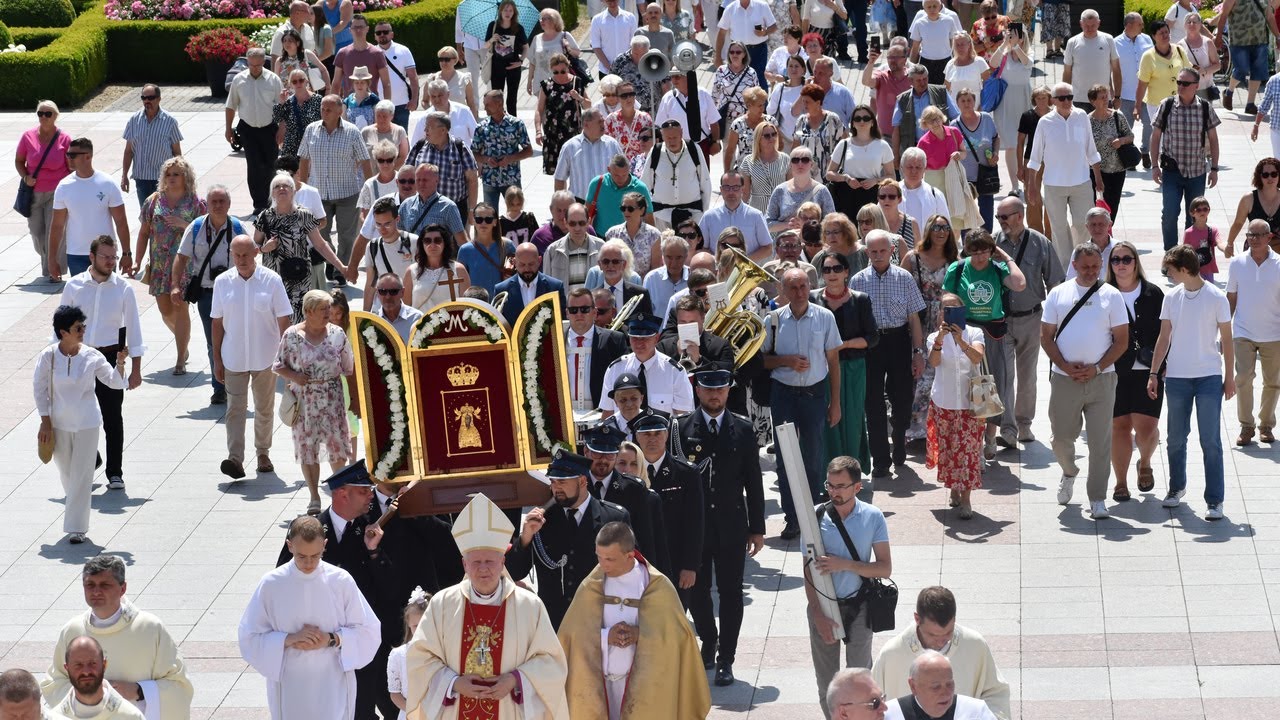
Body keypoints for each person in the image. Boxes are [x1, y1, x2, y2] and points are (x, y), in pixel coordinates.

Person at [407, 492, 569, 715]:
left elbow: (551, 663)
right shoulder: (442, 604)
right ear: (464, 564)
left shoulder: (529, 606)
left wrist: (515, 680)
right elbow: (420, 660)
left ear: (503, 561)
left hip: (507, 709)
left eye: (490, 561)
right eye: (476, 562)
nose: (483, 568)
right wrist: (454, 683)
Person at [558, 522, 710, 720]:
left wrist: (641, 635)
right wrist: (605, 637)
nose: (602, 565)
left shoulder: (656, 585)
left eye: (610, 559)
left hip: (645, 687)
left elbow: (678, 639)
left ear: (630, 555)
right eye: (599, 557)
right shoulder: (592, 585)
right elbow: (570, 636)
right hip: (598, 687)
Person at [240, 515, 382, 720]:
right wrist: (288, 639)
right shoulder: (272, 583)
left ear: (325, 545)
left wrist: (331, 638)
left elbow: (368, 631)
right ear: (289, 546)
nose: (308, 563)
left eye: (315, 556)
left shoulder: (340, 581)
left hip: (332, 680)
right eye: (301, 556)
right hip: (290, 683)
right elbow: (249, 636)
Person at [677, 368, 765, 686]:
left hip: (731, 525)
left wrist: (757, 527)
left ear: (728, 391)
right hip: (695, 527)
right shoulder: (682, 428)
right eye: (708, 390)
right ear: (697, 391)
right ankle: (709, 639)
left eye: (721, 390)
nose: (715, 395)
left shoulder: (742, 428)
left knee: (730, 593)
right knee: (696, 590)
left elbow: (754, 482)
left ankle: (726, 657)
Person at [1041, 243, 1129, 520]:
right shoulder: (1058, 294)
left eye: (1095, 266)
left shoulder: (1112, 296)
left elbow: (1122, 340)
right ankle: (1069, 471)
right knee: (1061, 438)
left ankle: (1097, 498)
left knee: (1101, 442)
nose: (1091, 271)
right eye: (1085, 266)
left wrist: (1097, 367)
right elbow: (1046, 336)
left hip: (1102, 379)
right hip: (1065, 379)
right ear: (1075, 266)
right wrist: (1065, 366)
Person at [43, 555, 193, 717]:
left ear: (123, 588)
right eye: (90, 585)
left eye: (105, 585)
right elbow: (54, 684)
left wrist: (139, 690)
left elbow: (179, 686)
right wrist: (91, 693)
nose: (96, 591)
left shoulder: (150, 629)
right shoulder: (72, 630)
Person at [1150, 245, 1234, 519]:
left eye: (1171, 270)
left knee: (1210, 439)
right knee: (1175, 438)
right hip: (1176, 377)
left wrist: (1229, 377)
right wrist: (1153, 372)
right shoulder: (1171, 298)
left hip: (1208, 376)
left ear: (1184, 269)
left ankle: (1215, 500)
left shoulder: (1216, 297)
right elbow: (1164, 338)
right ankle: (1176, 488)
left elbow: (1228, 341)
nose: (1168, 275)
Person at [804, 456, 892, 717]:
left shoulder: (873, 517)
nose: (834, 492)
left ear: (857, 486)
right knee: (827, 684)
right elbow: (807, 571)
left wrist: (846, 565)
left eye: (841, 486)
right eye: (830, 485)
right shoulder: (816, 517)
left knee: (860, 680)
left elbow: (884, 568)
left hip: (860, 605)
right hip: (824, 607)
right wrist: (817, 612)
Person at [33, 306, 128, 544]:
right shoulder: (48, 356)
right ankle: (76, 509)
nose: (83, 331)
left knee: (82, 476)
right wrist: (45, 422)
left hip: (87, 423)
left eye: (83, 326)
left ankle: (76, 528)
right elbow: (39, 389)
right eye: (78, 327)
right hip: (59, 424)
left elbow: (115, 383)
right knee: (67, 473)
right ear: (63, 332)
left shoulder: (92, 356)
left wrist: (121, 363)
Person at [58, 234, 145, 492]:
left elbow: (135, 329)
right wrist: (58, 360)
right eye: (106, 257)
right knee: (74, 413)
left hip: (109, 358)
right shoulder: (74, 287)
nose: (111, 262)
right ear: (92, 257)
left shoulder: (123, 288)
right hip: (79, 356)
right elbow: (60, 326)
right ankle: (92, 458)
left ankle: (115, 472)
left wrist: (136, 370)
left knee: (112, 416)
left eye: (114, 257)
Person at [507, 451, 632, 628]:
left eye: (562, 482)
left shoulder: (613, 517)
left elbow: (630, 572)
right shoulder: (542, 521)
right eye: (553, 481)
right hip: (556, 624)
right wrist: (525, 537)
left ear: (582, 481)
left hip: (601, 622)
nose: (555, 488)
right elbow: (514, 573)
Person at [763, 267, 843, 538]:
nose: (799, 293)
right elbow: (762, 361)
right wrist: (787, 361)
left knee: (813, 456)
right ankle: (792, 517)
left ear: (810, 288)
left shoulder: (825, 317)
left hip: (814, 394)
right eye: (793, 288)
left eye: (803, 287)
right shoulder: (773, 320)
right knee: (785, 459)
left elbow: (833, 362)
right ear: (783, 291)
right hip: (783, 394)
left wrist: (836, 403)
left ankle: (811, 513)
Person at [212, 235, 292, 480]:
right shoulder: (223, 282)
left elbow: (284, 318)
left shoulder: (271, 280)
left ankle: (263, 453)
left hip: (265, 356)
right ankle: (235, 458)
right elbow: (216, 322)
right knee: (235, 409)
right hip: (233, 356)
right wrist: (216, 358)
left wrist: (285, 355)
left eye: (246, 254)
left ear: (256, 253)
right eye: (237, 255)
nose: (241, 260)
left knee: (263, 408)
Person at [943, 230, 1026, 457]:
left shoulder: (997, 269)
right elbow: (946, 299)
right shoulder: (958, 268)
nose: (980, 257)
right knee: (967, 386)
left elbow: (1019, 284)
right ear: (967, 251)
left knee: (992, 385)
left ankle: (990, 436)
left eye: (985, 252)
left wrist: (1005, 257)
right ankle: (974, 442)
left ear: (992, 251)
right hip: (965, 331)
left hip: (993, 333)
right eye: (975, 252)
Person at [852, 230, 927, 480]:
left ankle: (899, 439)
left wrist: (918, 352)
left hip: (898, 341)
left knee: (903, 399)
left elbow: (914, 318)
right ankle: (881, 460)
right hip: (871, 344)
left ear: (892, 250)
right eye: (873, 251)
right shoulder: (858, 281)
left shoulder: (904, 278)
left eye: (883, 250)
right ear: (866, 252)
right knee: (872, 403)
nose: (878, 255)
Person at [872, 586, 1010, 719]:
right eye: (933, 635)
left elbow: (995, 695)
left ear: (954, 619)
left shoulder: (974, 645)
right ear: (917, 619)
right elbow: (872, 702)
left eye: (948, 633)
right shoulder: (892, 654)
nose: (940, 642)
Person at [274, 290, 355, 514]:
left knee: (336, 448)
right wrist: (295, 377)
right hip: (305, 401)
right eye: (323, 309)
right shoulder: (291, 335)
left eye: (329, 308)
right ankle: (314, 496)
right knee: (307, 448)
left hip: (332, 399)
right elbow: (278, 365)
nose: (328, 313)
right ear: (309, 311)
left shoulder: (337, 334)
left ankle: (339, 494)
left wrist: (355, 398)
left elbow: (349, 367)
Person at [993, 196, 1062, 444]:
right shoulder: (992, 244)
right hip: (999, 320)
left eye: (1005, 216)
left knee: (1027, 375)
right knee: (1004, 375)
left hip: (1031, 318)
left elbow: (1055, 282)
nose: (1001, 222)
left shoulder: (1039, 243)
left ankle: (1024, 424)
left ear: (1019, 216)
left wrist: (1055, 323)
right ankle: (1008, 429)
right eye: (998, 217)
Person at [170, 185, 243, 405]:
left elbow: (249, 254)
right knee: (215, 341)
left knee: (236, 338)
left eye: (222, 201)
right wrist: (175, 285)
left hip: (234, 292)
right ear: (207, 205)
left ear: (229, 204)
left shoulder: (237, 227)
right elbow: (181, 257)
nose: (218, 206)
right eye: (214, 202)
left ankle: (236, 384)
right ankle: (219, 387)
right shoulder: (196, 227)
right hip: (207, 294)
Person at [132, 156, 204, 379]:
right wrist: (136, 260)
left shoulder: (195, 203)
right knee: (165, 311)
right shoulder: (154, 201)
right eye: (168, 174)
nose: (171, 178)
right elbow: (144, 232)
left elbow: (205, 233)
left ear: (186, 177)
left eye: (177, 174)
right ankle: (182, 337)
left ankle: (180, 357)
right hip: (160, 264)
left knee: (180, 307)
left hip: (184, 265)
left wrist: (186, 225)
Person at [1104, 240, 1165, 501]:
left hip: (1149, 370)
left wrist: (1163, 366)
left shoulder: (1154, 294)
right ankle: (1120, 483)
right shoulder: (1103, 295)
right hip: (1115, 370)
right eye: (1115, 260)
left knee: (1147, 428)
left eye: (1126, 259)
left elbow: (1167, 332)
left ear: (1135, 262)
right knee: (1119, 426)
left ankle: (1146, 461)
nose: (1121, 264)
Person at [924, 292, 986, 517]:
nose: (948, 312)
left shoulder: (974, 333)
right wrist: (942, 338)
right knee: (949, 452)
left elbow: (977, 358)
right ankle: (953, 489)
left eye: (953, 308)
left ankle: (967, 500)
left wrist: (960, 340)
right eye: (945, 309)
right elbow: (933, 362)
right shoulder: (933, 337)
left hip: (971, 404)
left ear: (962, 310)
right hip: (944, 402)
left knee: (969, 452)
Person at [1027, 82, 1104, 264]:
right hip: (1054, 184)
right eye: (1061, 98)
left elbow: (1091, 149)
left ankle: (1082, 259)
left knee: (1083, 224)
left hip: (1082, 181)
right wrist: (1032, 186)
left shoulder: (1082, 116)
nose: (1066, 101)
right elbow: (1035, 157)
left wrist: (1098, 178)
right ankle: (1065, 268)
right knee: (1059, 228)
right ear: (1053, 100)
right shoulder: (1044, 122)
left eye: (1069, 97)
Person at [255, 172, 349, 321]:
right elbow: (254, 246)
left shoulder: (304, 215)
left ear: (293, 191)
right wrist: (264, 249)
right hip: (273, 279)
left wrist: (341, 266)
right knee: (274, 322)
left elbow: (321, 245)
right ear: (272, 193)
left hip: (299, 278)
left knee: (299, 322)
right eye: (277, 186)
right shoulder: (264, 217)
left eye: (286, 186)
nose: (281, 189)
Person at [813, 254, 877, 470]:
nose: (832, 273)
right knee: (826, 421)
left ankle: (850, 472)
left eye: (837, 268)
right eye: (827, 269)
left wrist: (843, 345)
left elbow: (872, 338)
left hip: (853, 367)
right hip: (821, 369)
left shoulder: (860, 299)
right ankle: (827, 472)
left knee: (851, 418)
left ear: (846, 272)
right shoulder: (813, 298)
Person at [1150, 68, 1221, 251]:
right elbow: (1156, 136)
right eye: (1179, 82)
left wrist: (1214, 169)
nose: (1180, 86)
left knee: (1195, 217)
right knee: (1170, 214)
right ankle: (1171, 254)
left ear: (1196, 86)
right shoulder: (1166, 105)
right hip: (1172, 171)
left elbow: (1213, 139)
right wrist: (1154, 166)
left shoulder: (1205, 108)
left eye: (1185, 83)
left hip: (1197, 172)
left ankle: (1189, 256)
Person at [632, 409, 703, 583]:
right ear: (637, 437)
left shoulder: (686, 473)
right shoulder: (628, 474)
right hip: (637, 565)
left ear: (667, 434)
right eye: (646, 434)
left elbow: (695, 524)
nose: (652, 439)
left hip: (676, 563)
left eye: (658, 433)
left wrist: (690, 566)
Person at [1227, 219, 1280, 446]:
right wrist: (1222, 330)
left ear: (1269, 238)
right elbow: (1231, 297)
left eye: (1259, 235)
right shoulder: (1237, 264)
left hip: (1273, 333)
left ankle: (1266, 425)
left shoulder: (1279, 264)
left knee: (1273, 382)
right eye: (1250, 235)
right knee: (1243, 379)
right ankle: (1246, 426)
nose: (1254, 239)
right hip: (1243, 331)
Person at [48, 138, 128, 283]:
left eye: (73, 155)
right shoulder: (64, 186)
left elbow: (121, 221)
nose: (69, 159)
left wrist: (127, 253)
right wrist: (52, 259)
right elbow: (57, 226)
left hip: (105, 253)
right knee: (81, 302)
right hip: (76, 254)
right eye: (68, 155)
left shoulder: (107, 183)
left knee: (106, 298)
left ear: (88, 156)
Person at [15, 99, 72, 282]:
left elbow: (71, 166)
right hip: (34, 192)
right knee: (36, 232)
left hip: (57, 192)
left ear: (55, 116)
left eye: (48, 114)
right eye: (40, 114)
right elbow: (19, 161)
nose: (44, 117)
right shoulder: (27, 137)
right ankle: (49, 261)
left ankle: (53, 271)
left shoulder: (64, 139)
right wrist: (25, 177)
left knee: (54, 232)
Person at [227, 48, 285, 215]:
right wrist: (227, 129)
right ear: (247, 62)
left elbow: (282, 106)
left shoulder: (273, 79)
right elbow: (230, 105)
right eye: (252, 65)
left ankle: (271, 201)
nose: (255, 68)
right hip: (248, 128)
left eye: (258, 65)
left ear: (263, 63)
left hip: (269, 128)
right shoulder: (239, 80)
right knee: (254, 166)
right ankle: (259, 203)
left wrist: (282, 128)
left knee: (270, 165)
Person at [52, 636, 145, 720]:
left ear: (104, 665)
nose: (86, 671)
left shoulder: (132, 717)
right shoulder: (56, 717)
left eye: (92, 663)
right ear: (67, 669)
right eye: (78, 665)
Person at [406, 111, 478, 221]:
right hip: (423, 211)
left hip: (454, 211)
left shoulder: (460, 148)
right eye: (425, 127)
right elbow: (406, 175)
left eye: (429, 127)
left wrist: (472, 209)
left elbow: (472, 180)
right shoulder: (420, 146)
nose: (425, 131)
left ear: (443, 130)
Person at [884, 652, 1000, 720]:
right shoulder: (889, 714)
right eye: (936, 687)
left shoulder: (976, 712)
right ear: (913, 686)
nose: (945, 693)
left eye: (949, 684)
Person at [643, 119, 714, 229]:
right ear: (662, 136)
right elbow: (645, 185)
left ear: (681, 133)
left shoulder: (693, 149)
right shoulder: (655, 152)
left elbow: (705, 182)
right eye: (668, 138)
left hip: (692, 215)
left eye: (674, 137)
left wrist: (703, 212)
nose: (672, 141)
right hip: (662, 216)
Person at [120, 84, 183, 206]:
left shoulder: (170, 122)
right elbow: (128, 151)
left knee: (162, 216)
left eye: (151, 98)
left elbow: (177, 153)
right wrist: (124, 175)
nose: (147, 101)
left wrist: (180, 177)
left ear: (159, 99)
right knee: (145, 218)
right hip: (141, 179)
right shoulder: (134, 120)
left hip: (163, 179)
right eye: (144, 98)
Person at [471, 90, 533, 211]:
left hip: (511, 179)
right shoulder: (481, 127)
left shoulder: (516, 124)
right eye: (484, 104)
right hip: (490, 180)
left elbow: (528, 151)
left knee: (515, 214)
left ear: (499, 104)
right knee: (490, 217)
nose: (485, 107)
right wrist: (486, 160)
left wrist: (511, 159)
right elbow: (474, 153)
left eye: (488, 104)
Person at [1216, 0, 1279, 115]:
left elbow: (1270, 17)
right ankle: (1229, 92)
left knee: (1258, 71)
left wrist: (1278, 37)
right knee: (1241, 69)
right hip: (1239, 41)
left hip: (1261, 40)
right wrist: (1218, 36)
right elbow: (1223, 15)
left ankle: (1250, 104)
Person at [554, 109, 627, 204]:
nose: (603, 124)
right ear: (586, 124)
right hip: (579, 205)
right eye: (599, 122)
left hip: (608, 204)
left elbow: (625, 173)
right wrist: (561, 206)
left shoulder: (612, 145)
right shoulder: (570, 147)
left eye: (603, 121)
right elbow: (560, 178)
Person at [950, 88, 998, 228]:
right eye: (963, 101)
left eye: (969, 100)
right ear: (957, 103)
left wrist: (995, 153)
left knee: (987, 215)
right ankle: (968, 247)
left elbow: (996, 138)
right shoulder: (954, 126)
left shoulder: (986, 118)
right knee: (967, 218)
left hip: (986, 173)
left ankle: (986, 244)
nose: (966, 104)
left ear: (974, 101)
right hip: (966, 177)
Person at [536, 53, 591, 176]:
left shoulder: (577, 82)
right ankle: (561, 195)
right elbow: (539, 109)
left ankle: (574, 195)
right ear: (551, 70)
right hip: (552, 134)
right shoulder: (547, 85)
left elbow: (588, 105)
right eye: (556, 72)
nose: (559, 75)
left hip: (572, 132)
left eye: (563, 71)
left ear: (568, 67)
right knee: (557, 174)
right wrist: (538, 131)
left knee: (576, 171)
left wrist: (579, 97)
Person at [1133, 21, 1192, 133]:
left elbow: (1189, 73)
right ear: (1154, 36)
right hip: (1157, 105)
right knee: (1161, 139)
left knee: (1179, 136)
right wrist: (1137, 106)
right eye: (1161, 33)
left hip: (1180, 103)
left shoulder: (1179, 50)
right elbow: (1142, 84)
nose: (1165, 35)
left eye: (1166, 32)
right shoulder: (1148, 56)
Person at [891, 64, 958, 162]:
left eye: (925, 79)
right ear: (910, 81)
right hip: (914, 149)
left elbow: (956, 119)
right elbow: (896, 129)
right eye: (918, 80)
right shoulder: (902, 99)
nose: (923, 83)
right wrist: (896, 157)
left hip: (941, 147)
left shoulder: (941, 92)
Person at [1087, 84, 1134, 222]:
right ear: (1093, 101)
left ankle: (1107, 234)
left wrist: (1121, 141)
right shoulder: (1087, 120)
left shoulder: (1117, 116)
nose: (1105, 100)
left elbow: (1130, 136)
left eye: (1106, 96)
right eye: (1101, 97)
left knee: (1112, 207)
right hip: (1095, 170)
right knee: (1095, 208)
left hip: (1117, 169)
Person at [494, 242, 568, 325]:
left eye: (531, 264)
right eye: (522, 265)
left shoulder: (555, 287)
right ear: (514, 263)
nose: (527, 269)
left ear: (539, 261)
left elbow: (561, 322)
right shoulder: (501, 290)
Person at [402, 222, 470, 313]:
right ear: (422, 244)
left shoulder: (459, 270)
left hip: (451, 325)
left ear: (444, 243)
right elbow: (406, 308)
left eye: (437, 240)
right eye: (427, 241)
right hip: (420, 325)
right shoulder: (411, 271)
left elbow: (468, 307)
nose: (432, 245)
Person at [1063, 10, 1122, 112]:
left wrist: (1117, 96)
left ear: (1098, 23)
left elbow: (1116, 70)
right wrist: (1065, 97)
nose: (1090, 28)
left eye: (1093, 25)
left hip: (1103, 98)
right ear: (1081, 23)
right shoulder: (1072, 42)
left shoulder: (1108, 39)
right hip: (1078, 98)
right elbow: (1067, 72)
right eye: (1086, 25)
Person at [396, 163, 466, 248]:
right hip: (411, 258)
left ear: (437, 180)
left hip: (438, 259)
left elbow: (462, 241)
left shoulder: (449, 207)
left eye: (425, 180)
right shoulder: (406, 205)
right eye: (418, 180)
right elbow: (398, 235)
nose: (421, 183)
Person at [1117, 13, 1154, 170]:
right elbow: (1112, 70)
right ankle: (1130, 156)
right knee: (1126, 128)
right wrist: (1115, 94)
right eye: (1140, 24)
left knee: (1150, 124)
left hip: (1147, 93)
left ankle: (1145, 151)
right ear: (1129, 25)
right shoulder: (1115, 43)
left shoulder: (1147, 39)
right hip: (1126, 93)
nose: (1142, 26)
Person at [457, 202, 517, 296]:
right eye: (479, 219)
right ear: (474, 221)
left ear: (495, 222)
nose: (483, 223)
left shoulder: (507, 246)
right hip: (476, 304)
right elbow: (460, 283)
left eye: (488, 219)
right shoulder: (465, 250)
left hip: (502, 302)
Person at [653, 72, 722, 151]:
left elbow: (714, 122)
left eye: (677, 76)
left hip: (701, 145)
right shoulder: (667, 98)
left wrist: (715, 142)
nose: (674, 80)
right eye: (671, 77)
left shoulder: (703, 94)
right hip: (676, 148)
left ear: (688, 77)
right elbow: (661, 126)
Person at [1017, 86, 1053, 234]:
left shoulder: (1055, 115)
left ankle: (1051, 233)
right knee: (1032, 197)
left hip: (1052, 159)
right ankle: (1035, 232)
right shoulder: (1027, 116)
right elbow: (1020, 142)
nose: (1041, 101)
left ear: (1049, 99)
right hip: (1031, 159)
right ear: (1034, 100)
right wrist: (1020, 167)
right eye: (1038, 98)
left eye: (1044, 97)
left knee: (1052, 196)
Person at [543, 203, 604, 291]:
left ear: (588, 222)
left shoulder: (601, 247)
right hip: (564, 304)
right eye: (572, 223)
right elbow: (547, 286)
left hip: (593, 304)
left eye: (581, 223)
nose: (577, 228)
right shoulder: (552, 251)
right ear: (565, 223)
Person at [1226, 159, 1280, 255]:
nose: (1270, 178)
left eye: (1274, 174)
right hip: (1254, 250)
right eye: (1265, 175)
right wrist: (1230, 244)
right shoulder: (1249, 198)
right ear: (1260, 176)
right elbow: (1238, 223)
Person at [484, 0, 528, 116]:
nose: (508, 13)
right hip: (496, 67)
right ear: (500, 11)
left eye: (510, 10)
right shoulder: (493, 25)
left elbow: (526, 47)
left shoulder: (518, 28)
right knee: (497, 98)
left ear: (514, 13)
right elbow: (486, 45)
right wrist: (492, 39)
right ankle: (497, 121)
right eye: (505, 10)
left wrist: (521, 61)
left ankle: (513, 123)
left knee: (512, 99)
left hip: (513, 67)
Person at [594, 160, 656, 243]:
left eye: (624, 175)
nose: (621, 179)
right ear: (609, 170)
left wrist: (652, 240)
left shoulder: (641, 188)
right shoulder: (597, 183)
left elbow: (649, 217)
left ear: (629, 170)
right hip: (601, 238)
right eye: (616, 175)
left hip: (634, 239)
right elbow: (586, 212)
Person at [331, 14, 391, 98]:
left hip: (371, 105)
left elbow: (386, 84)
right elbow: (336, 83)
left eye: (361, 27)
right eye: (355, 27)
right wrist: (334, 107)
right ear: (350, 30)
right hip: (349, 106)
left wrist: (387, 106)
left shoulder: (377, 53)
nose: (358, 30)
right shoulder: (342, 53)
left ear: (367, 29)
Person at [372, 20, 418, 130]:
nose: (382, 35)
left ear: (392, 34)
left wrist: (414, 100)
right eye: (379, 33)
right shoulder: (371, 52)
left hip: (402, 104)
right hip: (379, 105)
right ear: (375, 36)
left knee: (402, 138)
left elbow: (413, 77)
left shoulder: (403, 50)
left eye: (385, 32)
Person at [713, 43, 764, 142]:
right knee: (728, 152)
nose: (734, 55)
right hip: (727, 118)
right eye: (731, 52)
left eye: (738, 52)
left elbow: (758, 97)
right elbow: (714, 96)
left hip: (746, 119)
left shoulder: (751, 73)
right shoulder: (721, 71)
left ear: (744, 54)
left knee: (746, 151)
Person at [528, 8, 582, 100]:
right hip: (541, 82)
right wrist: (529, 81)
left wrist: (568, 47)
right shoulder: (536, 38)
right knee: (543, 112)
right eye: (541, 18)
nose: (541, 21)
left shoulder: (564, 35)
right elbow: (532, 62)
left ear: (554, 20)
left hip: (561, 81)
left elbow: (577, 53)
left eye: (545, 18)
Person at [274, 69, 325, 158]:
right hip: (291, 149)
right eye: (294, 81)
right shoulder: (287, 102)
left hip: (313, 147)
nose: (298, 84)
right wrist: (281, 102)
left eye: (301, 80)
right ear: (290, 84)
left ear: (306, 81)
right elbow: (276, 118)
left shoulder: (318, 100)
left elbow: (325, 122)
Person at [898, 151, 950, 235]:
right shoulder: (890, 193)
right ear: (902, 168)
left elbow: (946, 226)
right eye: (910, 167)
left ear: (925, 169)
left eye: (918, 167)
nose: (914, 171)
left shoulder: (935, 195)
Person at [426, 47, 479, 119]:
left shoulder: (464, 79)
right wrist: (433, 113)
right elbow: (424, 101)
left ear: (455, 60)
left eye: (447, 59)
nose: (443, 62)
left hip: (460, 119)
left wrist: (474, 124)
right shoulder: (432, 79)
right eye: (441, 59)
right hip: (439, 122)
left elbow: (471, 104)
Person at [276, 28, 330, 98]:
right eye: (284, 41)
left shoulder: (306, 54)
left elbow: (323, 70)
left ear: (298, 43)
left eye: (290, 41)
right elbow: (276, 82)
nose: (287, 43)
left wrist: (328, 88)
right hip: (288, 100)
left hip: (308, 97)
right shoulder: (279, 61)